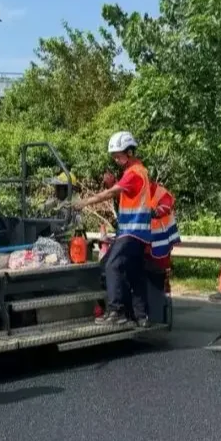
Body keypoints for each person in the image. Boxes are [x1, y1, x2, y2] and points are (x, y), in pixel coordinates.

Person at [73, 131, 152, 327]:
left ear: (130, 151)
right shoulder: (138, 172)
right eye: (114, 157)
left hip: (131, 233)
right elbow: (125, 197)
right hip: (138, 234)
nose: (116, 160)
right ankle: (141, 316)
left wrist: (85, 202)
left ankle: (117, 311)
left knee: (110, 266)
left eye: (119, 155)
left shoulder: (134, 173)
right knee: (133, 273)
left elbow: (110, 193)